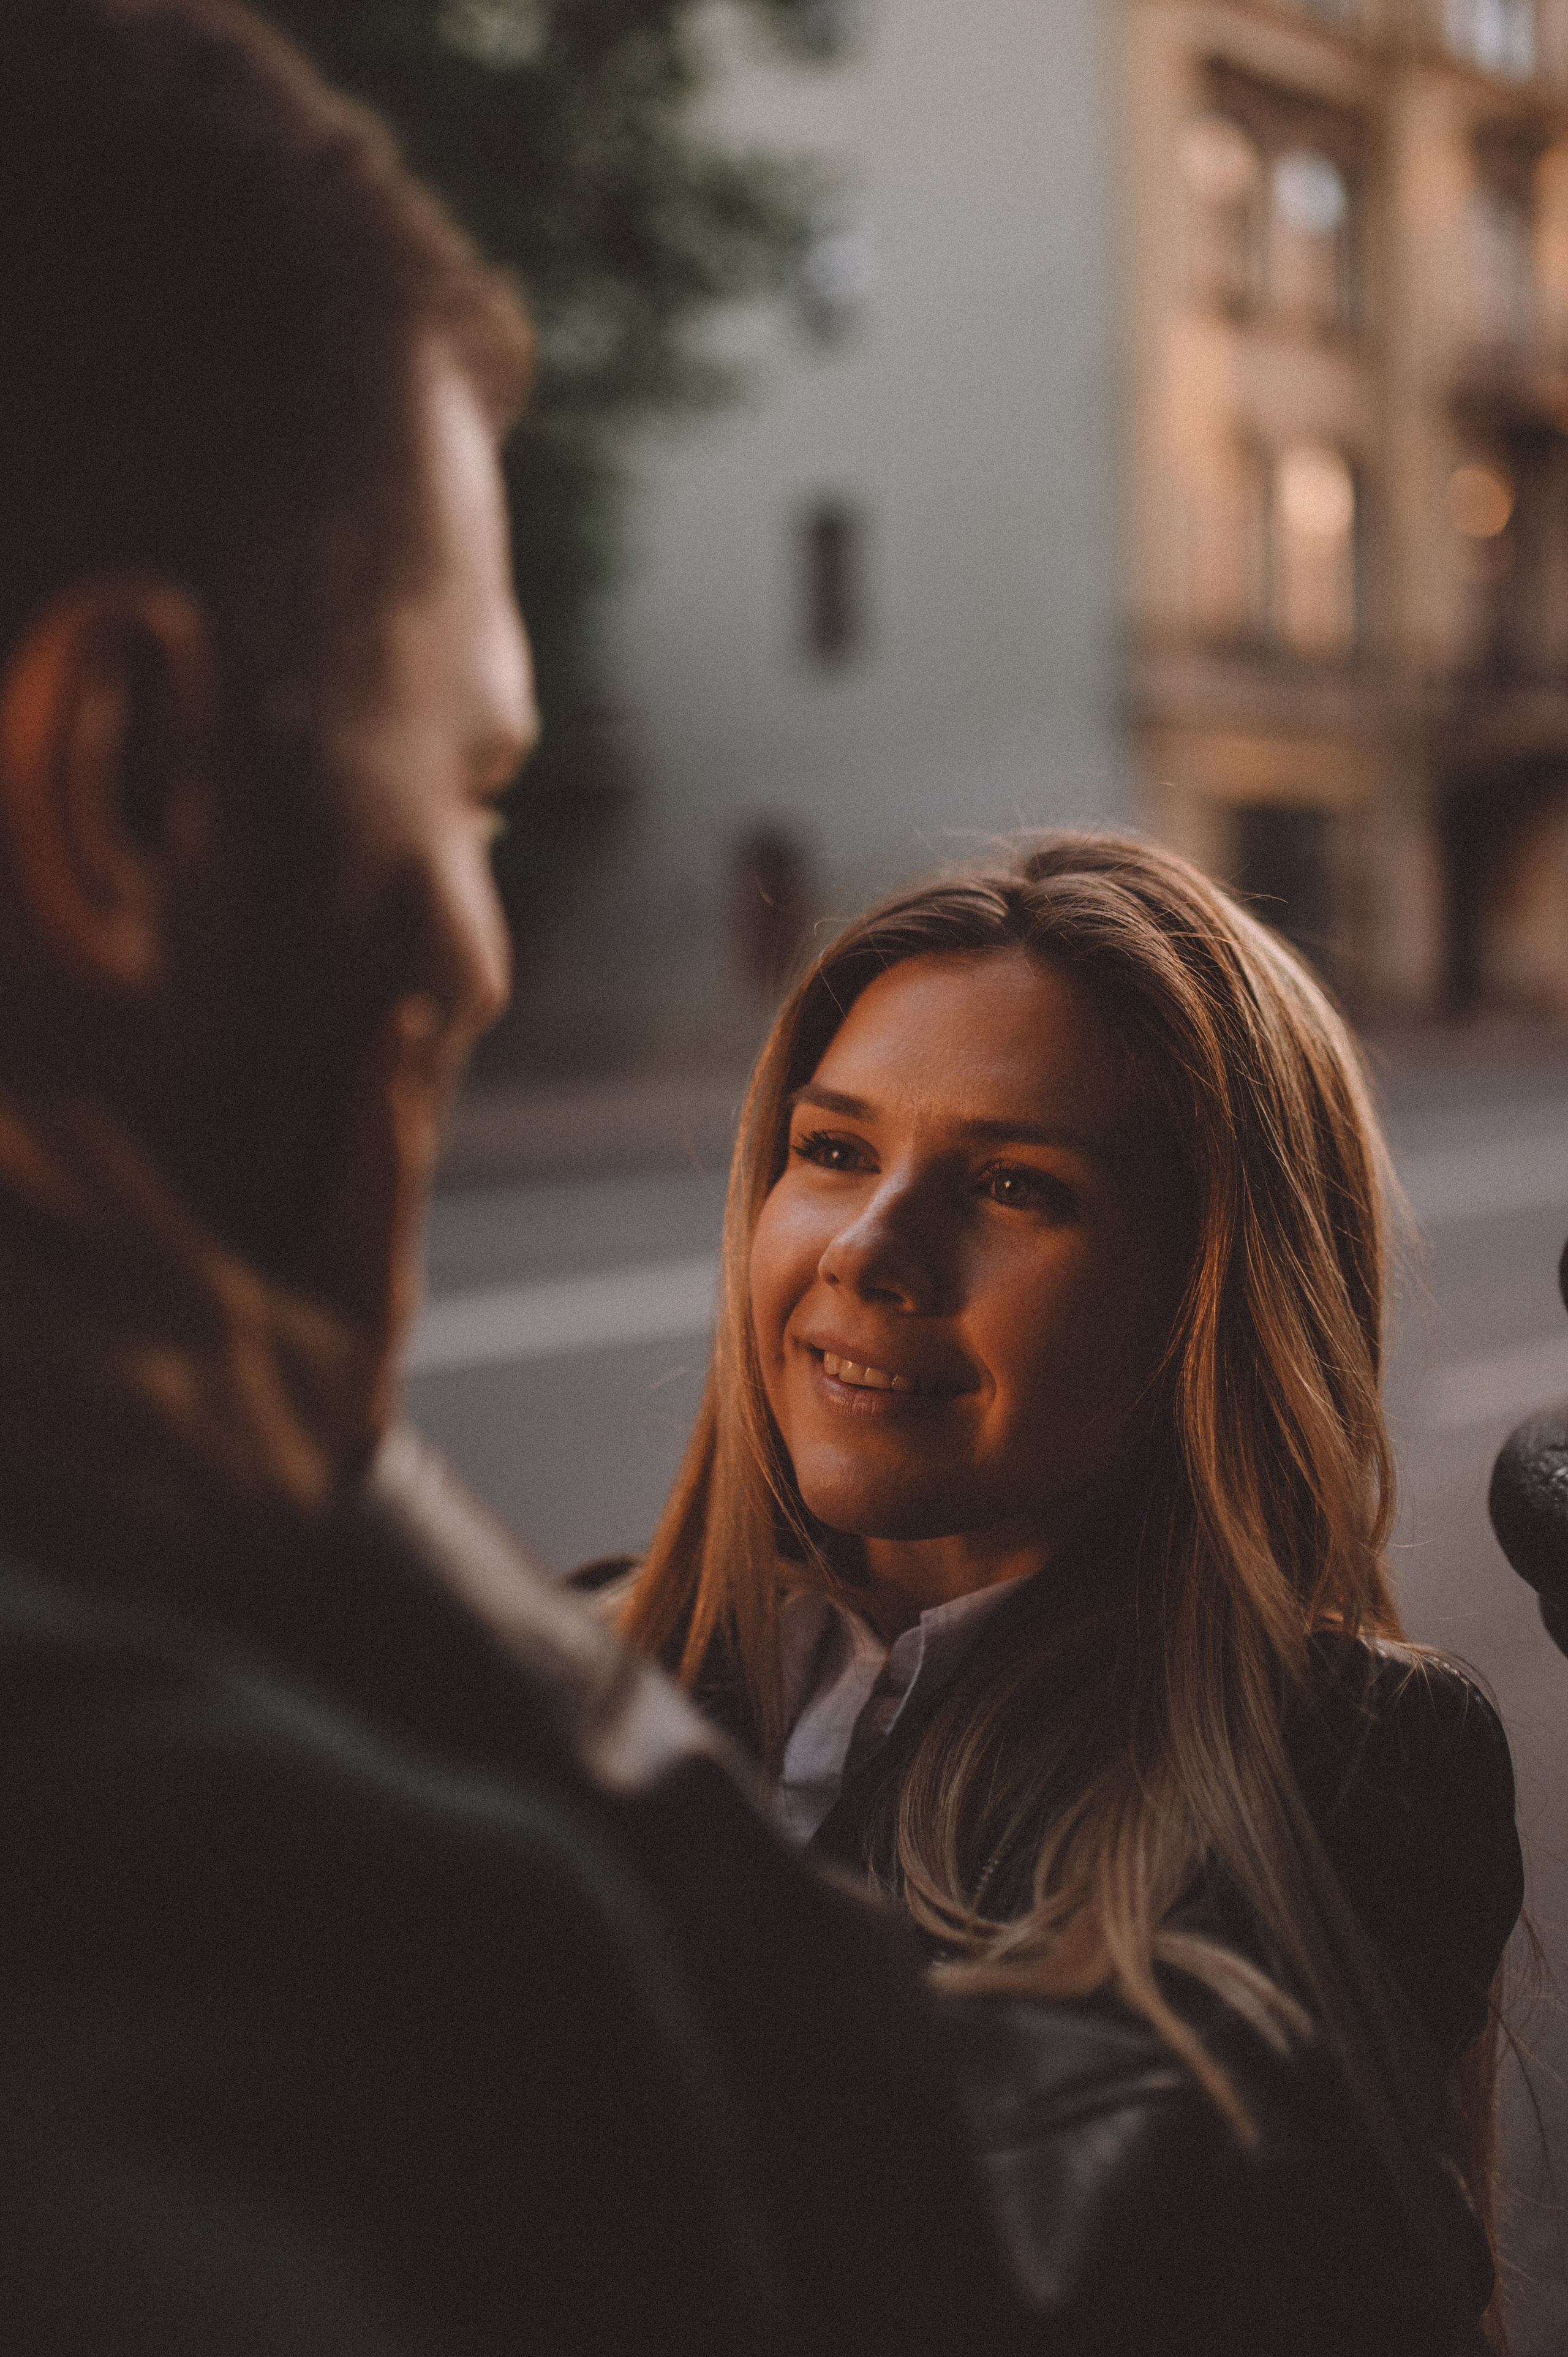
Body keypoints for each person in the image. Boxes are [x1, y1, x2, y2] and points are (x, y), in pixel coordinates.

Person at [0, 4, 1038, 2350]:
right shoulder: (299, 1964)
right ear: (132, 783)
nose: (480, 949)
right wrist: (352, 1517)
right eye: (473, 785)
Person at [620, 832, 1526, 2351]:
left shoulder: (1338, 1760)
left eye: (1011, 1184)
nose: (869, 1248)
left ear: (1207, 1292)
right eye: (833, 1149)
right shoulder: (585, 1670)